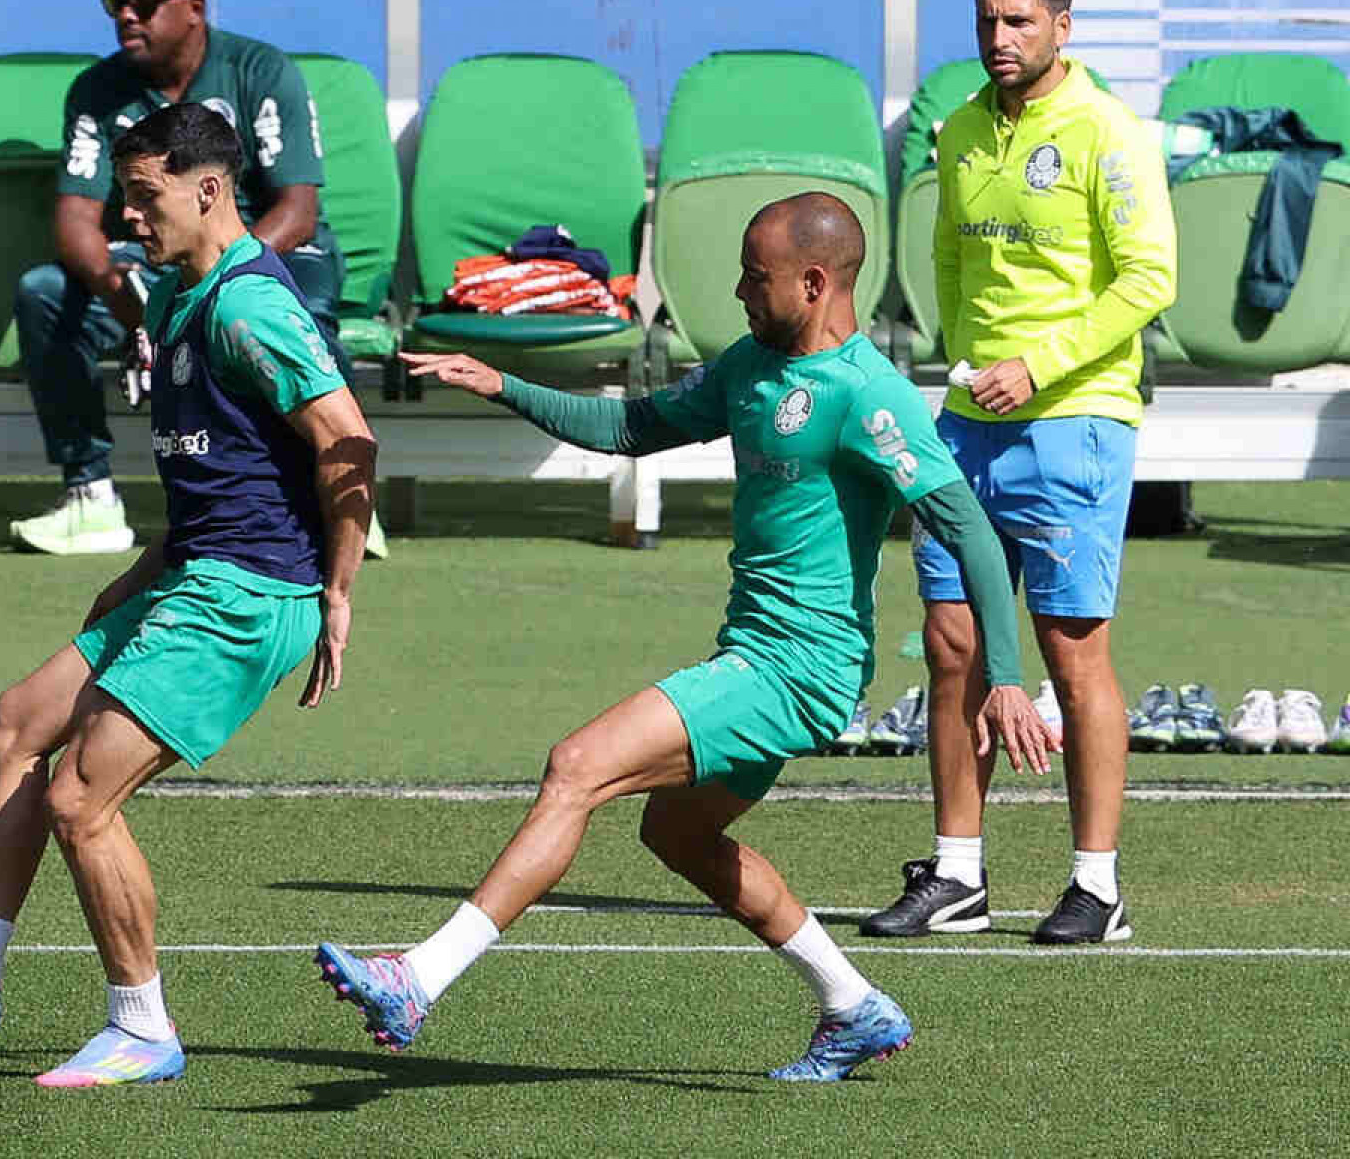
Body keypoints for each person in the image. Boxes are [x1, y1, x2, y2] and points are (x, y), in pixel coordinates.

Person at [312, 194, 1054, 1082]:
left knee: (577, 767)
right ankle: (854, 1006)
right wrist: (503, 384)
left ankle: (418, 978)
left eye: (755, 276)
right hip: (754, 651)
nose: (739, 291)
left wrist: (1006, 677)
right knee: (678, 837)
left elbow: (969, 530)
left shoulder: (869, 394)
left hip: (799, 668)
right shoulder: (750, 365)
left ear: (815, 283)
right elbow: (630, 427)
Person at [0, 102, 376, 1088]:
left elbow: (347, 439)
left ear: (209, 190)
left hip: (247, 595)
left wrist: (337, 591)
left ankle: (143, 1028)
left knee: (81, 797)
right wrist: (140, 575)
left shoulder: (250, 307)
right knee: (16, 725)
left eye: (143, 194)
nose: (128, 214)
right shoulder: (175, 296)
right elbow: (225, 470)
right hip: (192, 572)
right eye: (123, 194)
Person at [860, 0, 1176, 946]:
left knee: (1070, 651)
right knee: (951, 643)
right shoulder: (958, 130)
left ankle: (1098, 886)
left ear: (1062, 25)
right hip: (968, 426)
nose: (1000, 38)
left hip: (1076, 421)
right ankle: (958, 873)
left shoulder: (1108, 132)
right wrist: (966, 362)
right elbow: (952, 256)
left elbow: (1149, 278)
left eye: (1019, 21)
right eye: (988, 21)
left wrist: (1038, 367)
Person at [8, 0, 346, 555]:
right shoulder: (95, 90)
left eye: (142, 2)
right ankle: (90, 495)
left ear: (194, 6)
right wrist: (126, 295)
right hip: (151, 262)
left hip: (265, 250)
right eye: (116, 2)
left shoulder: (261, 71)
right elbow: (76, 220)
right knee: (44, 293)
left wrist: (214, 283)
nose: (125, 16)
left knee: (298, 306)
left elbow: (298, 210)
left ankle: (331, 492)